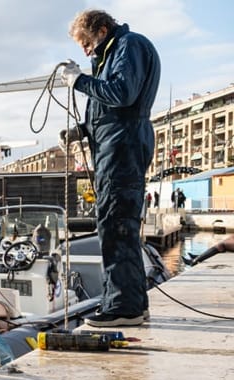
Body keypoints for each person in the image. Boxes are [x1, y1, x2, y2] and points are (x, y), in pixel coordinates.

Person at [60, 9, 160, 327]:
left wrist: (79, 81)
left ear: (102, 30)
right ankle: (128, 303)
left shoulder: (129, 47)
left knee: (117, 224)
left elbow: (121, 94)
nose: (87, 51)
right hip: (114, 147)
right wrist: (80, 131)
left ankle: (123, 306)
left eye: (87, 43)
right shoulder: (111, 56)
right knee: (114, 224)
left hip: (123, 148)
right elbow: (107, 111)